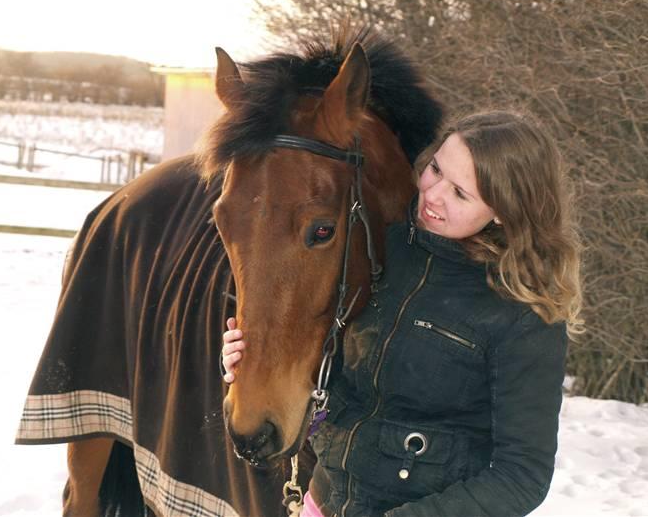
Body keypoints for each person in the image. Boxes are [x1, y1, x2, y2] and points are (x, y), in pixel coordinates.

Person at [222, 110, 583, 517]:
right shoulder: (380, 250)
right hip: (324, 505)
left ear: (504, 211)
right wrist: (257, 361)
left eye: (461, 194)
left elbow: (522, 477)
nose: (433, 195)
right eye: (435, 169)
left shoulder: (524, 312)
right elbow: (337, 380)